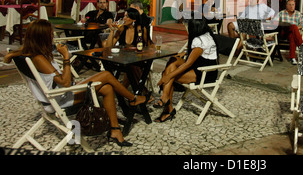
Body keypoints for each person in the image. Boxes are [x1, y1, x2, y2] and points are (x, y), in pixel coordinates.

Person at [4, 19, 151, 147]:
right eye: (50, 34)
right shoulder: (39, 59)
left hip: (56, 96)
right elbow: (65, 82)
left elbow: (13, 54)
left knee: (106, 88)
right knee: (106, 75)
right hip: (60, 99)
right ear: (41, 37)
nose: (52, 36)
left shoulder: (28, 53)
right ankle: (133, 99)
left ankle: (115, 130)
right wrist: (66, 57)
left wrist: (10, 54)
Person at [154, 17, 219, 123]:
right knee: (172, 61)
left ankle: (167, 107)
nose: (186, 28)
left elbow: (188, 63)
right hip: (200, 66)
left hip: (204, 72)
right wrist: (185, 53)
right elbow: (197, 55)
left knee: (170, 74)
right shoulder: (207, 34)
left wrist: (167, 77)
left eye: (188, 26)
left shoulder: (200, 40)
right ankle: (165, 98)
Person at [274, 0, 303, 65]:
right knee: (293, 27)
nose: (291, 6)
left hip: (293, 33)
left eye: (293, 5)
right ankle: (302, 46)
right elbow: (274, 22)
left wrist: (295, 28)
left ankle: (292, 58)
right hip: (283, 33)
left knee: (292, 35)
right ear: (286, 6)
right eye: (289, 5)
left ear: (295, 5)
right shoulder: (281, 13)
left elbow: (302, 24)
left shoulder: (298, 14)